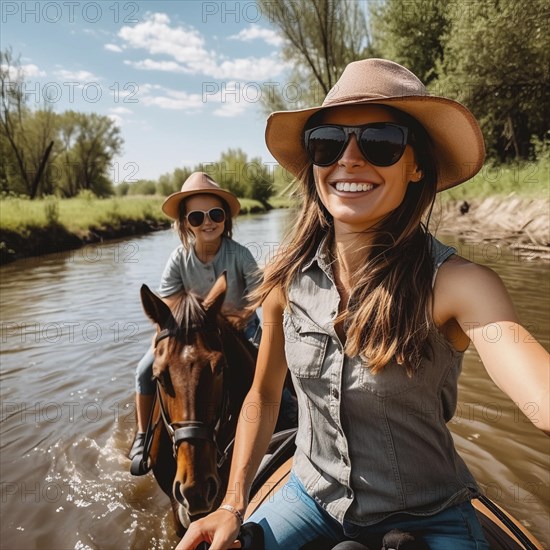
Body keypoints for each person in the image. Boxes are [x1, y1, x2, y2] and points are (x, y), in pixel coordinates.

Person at [176, 59, 549, 550]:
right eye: (328, 143)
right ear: (314, 162)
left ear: (416, 164)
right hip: (310, 498)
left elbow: (538, 395)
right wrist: (231, 503)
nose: (349, 159)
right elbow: (265, 396)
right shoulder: (285, 282)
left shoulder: (460, 285)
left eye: (381, 142)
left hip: (430, 514)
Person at [129, 172, 262, 463]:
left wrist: (242, 315)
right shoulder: (179, 258)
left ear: (225, 218)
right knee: (143, 370)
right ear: (185, 224)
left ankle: (286, 412)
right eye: (197, 217)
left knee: (270, 366)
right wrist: (161, 339)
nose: (208, 222)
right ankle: (143, 435)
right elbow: (167, 303)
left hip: (241, 327)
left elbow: (259, 292)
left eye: (215, 214)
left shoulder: (240, 254)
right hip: (193, 332)